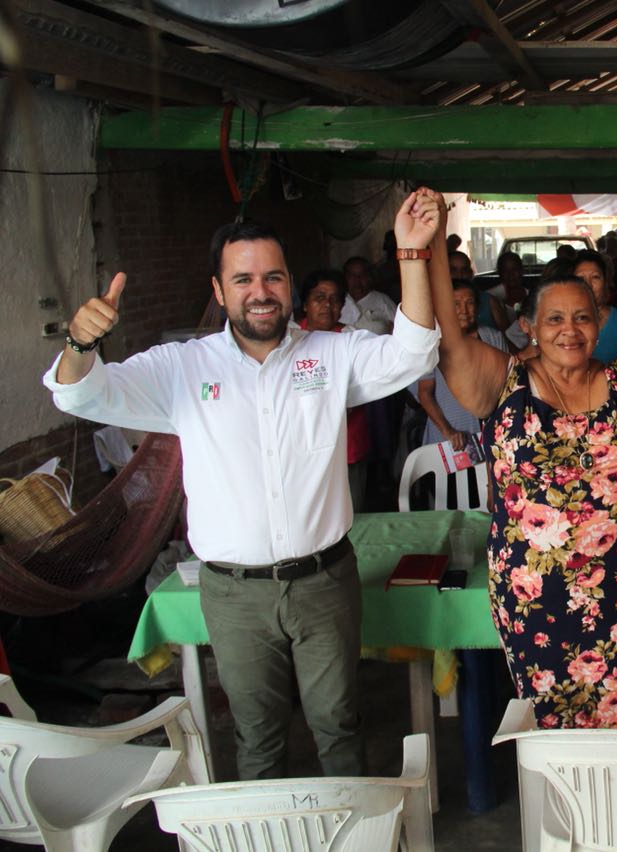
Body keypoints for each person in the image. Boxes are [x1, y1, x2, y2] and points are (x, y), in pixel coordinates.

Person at [45, 189, 444, 780]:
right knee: (257, 738)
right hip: (233, 596)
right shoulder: (181, 368)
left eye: (274, 277)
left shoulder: (331, 356)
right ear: (218, 290)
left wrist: (411, 255)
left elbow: (413, 354)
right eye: (243, 279)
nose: (261, 291)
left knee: (339, 725)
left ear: (290, 285)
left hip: (324, 582)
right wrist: (81, 343)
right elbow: (81, 393)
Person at [424, 223, 617, 730]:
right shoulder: (503, 380)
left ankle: (616, 810)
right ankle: (557, 810)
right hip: (532, 593)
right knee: (548, 721)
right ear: (529, 326)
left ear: (600, 323)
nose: (569, 329)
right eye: (554, 318)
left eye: (582, 317)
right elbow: (447, 335)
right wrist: (431, 248)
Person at [298, 269, 373, 512]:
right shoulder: (290, 339)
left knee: (352, 514)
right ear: (306, 304)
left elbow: (357, 391)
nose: (327, 305)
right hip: (302, 448)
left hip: (347, 444)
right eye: (319, 297)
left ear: (342, 306)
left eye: (334, 299)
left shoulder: (351, 339)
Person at [417, 279, 508, 451]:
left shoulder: (492, 337)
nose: (464, 311)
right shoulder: (432, 343)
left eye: (470, 303)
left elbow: (507, 385)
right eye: (456, 304)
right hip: (447, 437)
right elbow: (425, 393)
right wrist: (448, 431)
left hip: (489, 434)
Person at [339, 255, 397, 334]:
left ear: (369, 277)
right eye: (352, 276)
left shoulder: (382, 300)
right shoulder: (339, 300)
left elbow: (400, 327)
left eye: (362, 275)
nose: (357, 280)